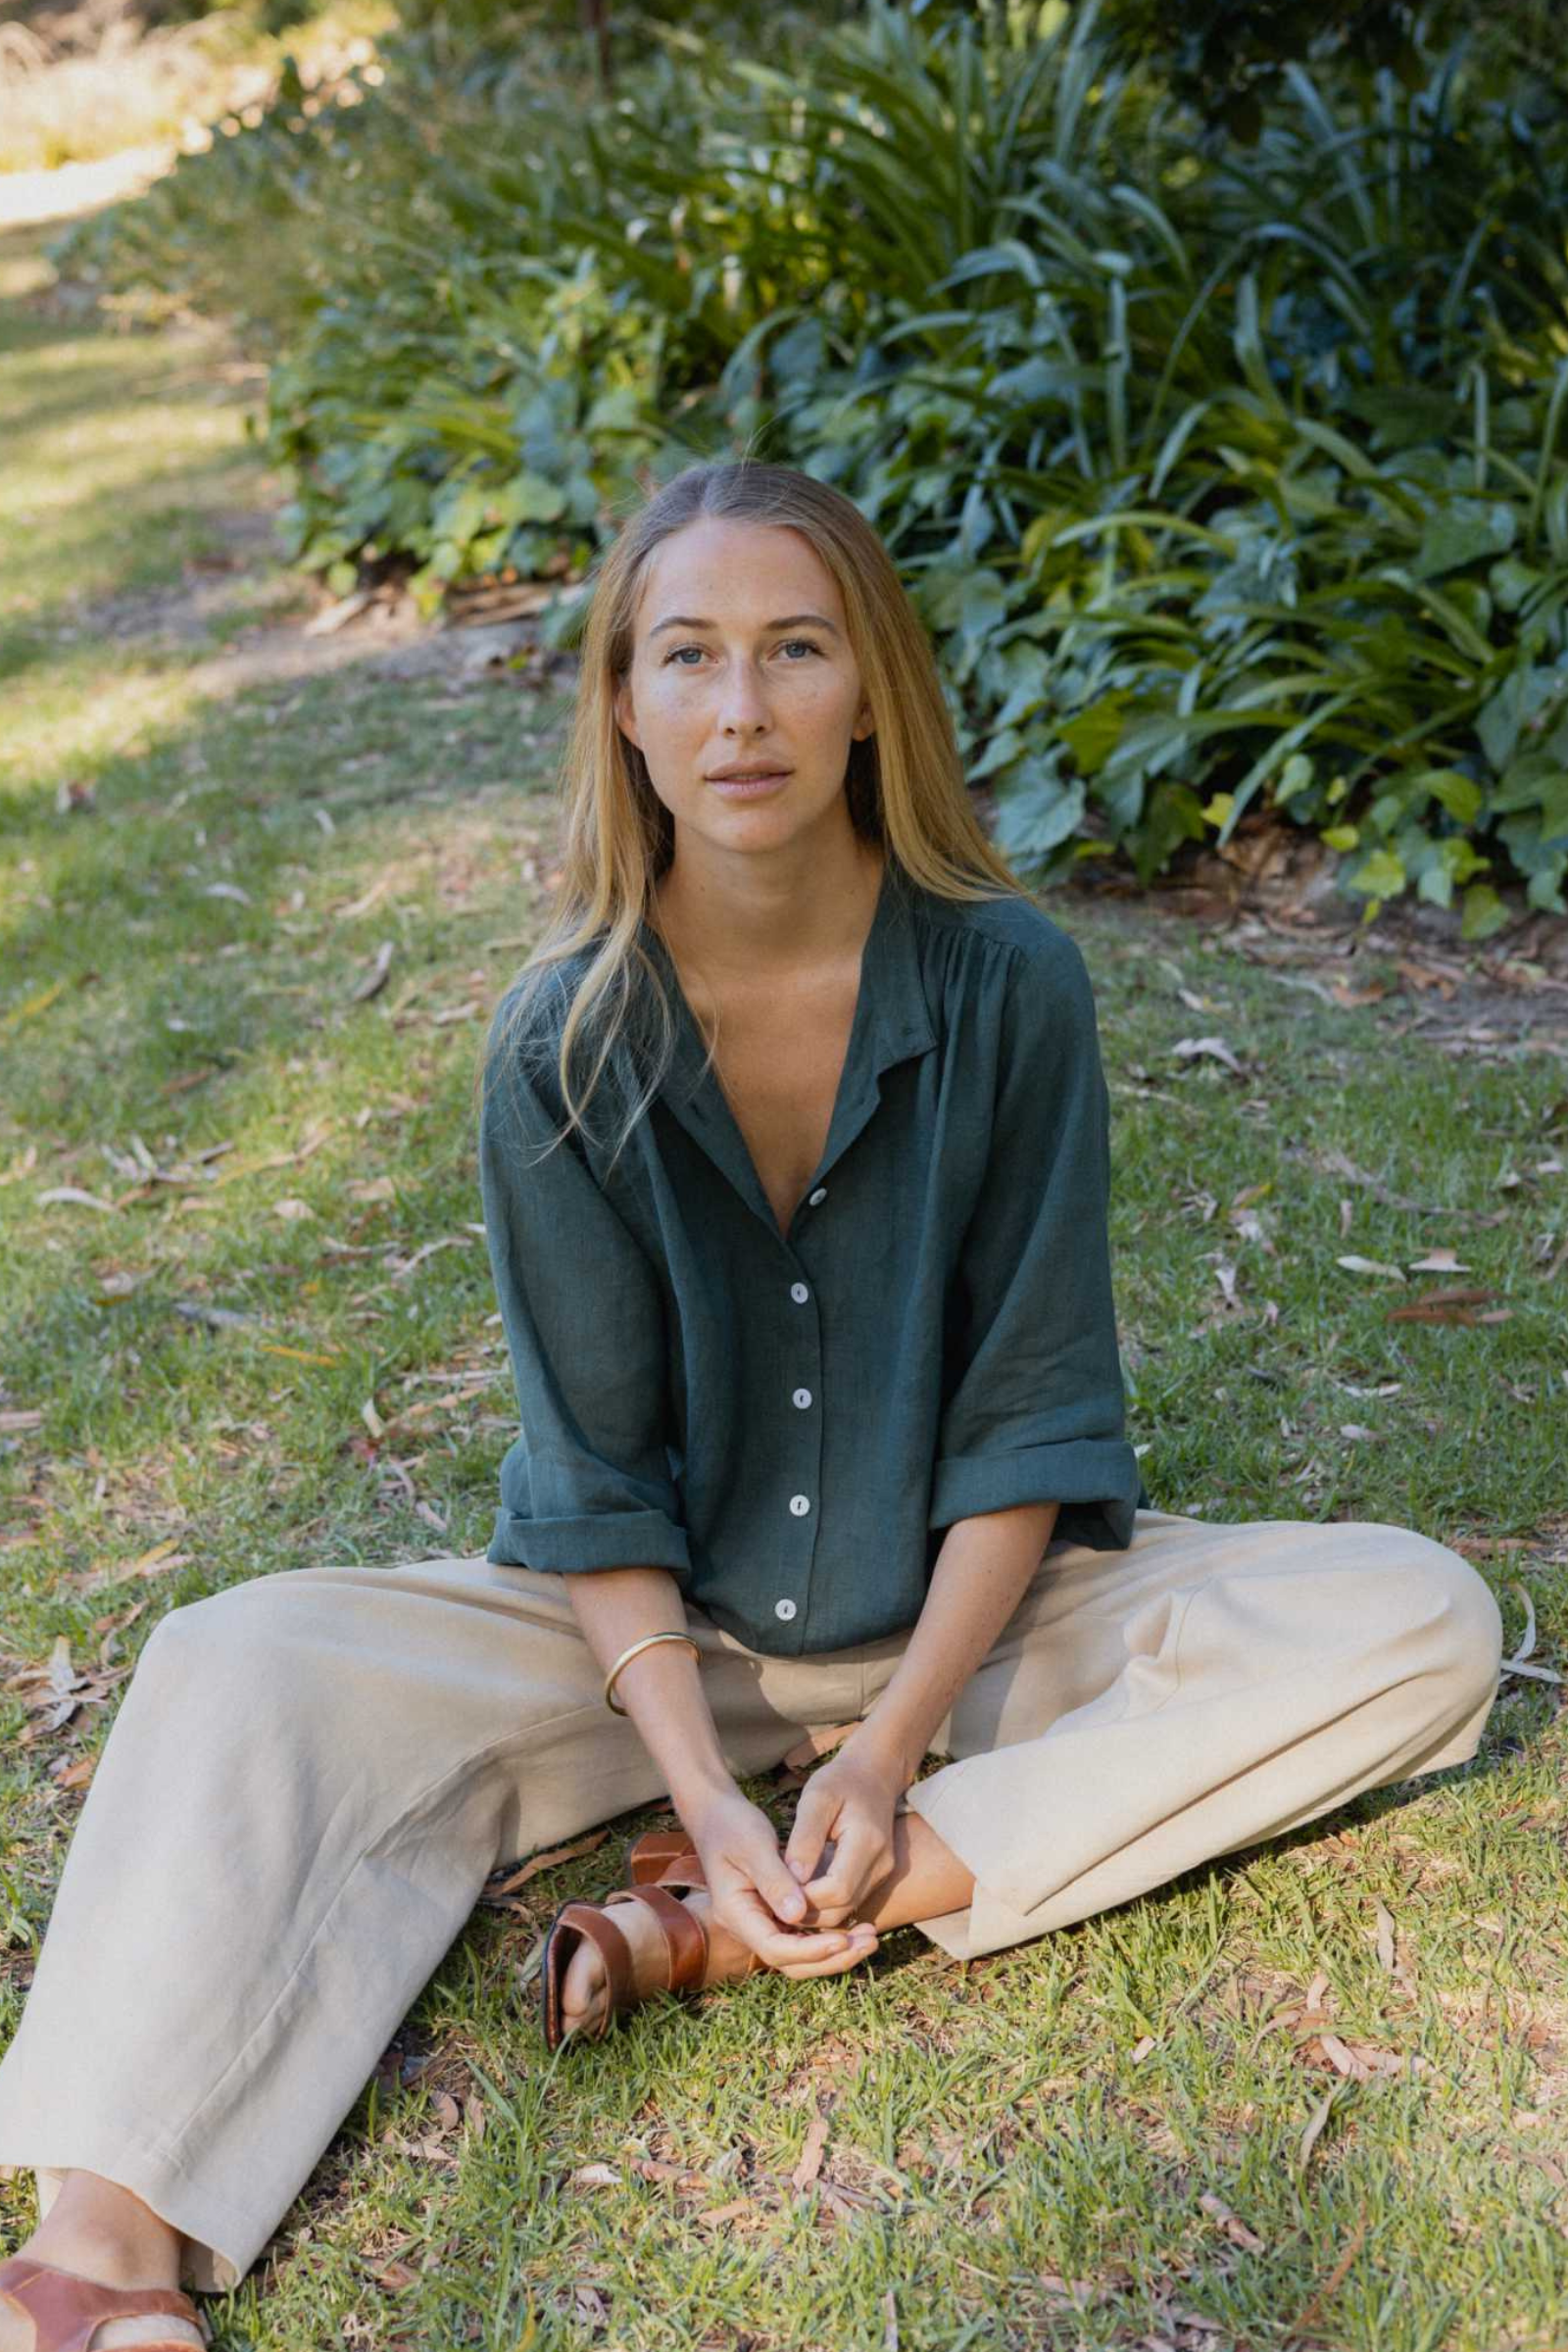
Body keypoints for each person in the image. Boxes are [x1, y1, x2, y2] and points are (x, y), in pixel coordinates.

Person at [0, 459, 1503, 2348]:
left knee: (1421, 1619)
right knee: (236, 1659)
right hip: (652, 1654)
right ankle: (102, 2252)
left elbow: (1032, 1417)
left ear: (868, 685)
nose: (742, 709)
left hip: (971, 1615)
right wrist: (711, 1789)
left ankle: (768, 1920)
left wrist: (886, 1754)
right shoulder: (563, 1039)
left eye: (794, 650)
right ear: (621, 707)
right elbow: (593, 1483)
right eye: (687, 656)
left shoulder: (1008, 986)